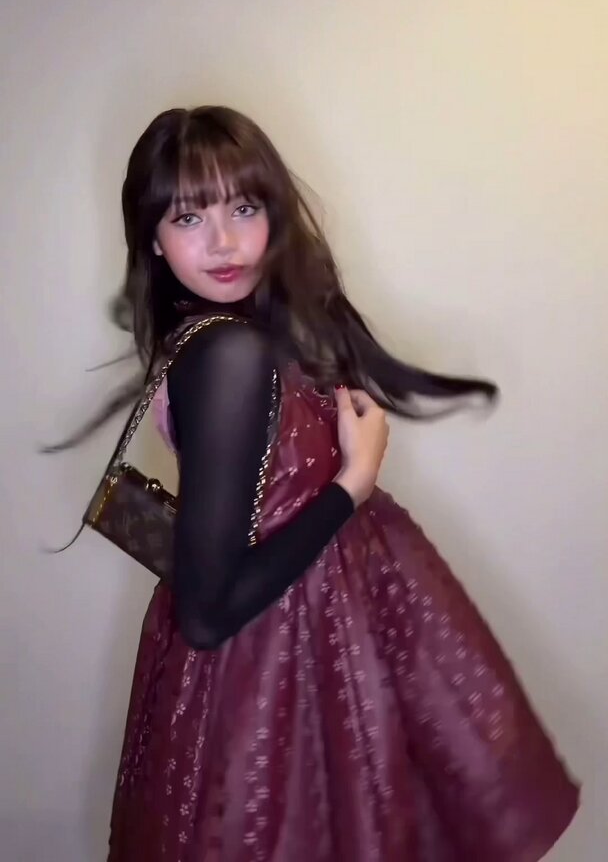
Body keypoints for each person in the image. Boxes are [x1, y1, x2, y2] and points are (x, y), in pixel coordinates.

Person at [79, 105, 578, 860]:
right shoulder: (228, 355)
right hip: (270, 680)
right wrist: (354, 483)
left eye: (243, 209)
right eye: (188, 217)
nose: (223, 241)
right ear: (152, 236)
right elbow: (209, 615)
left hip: (308, 662)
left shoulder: (241, 337)